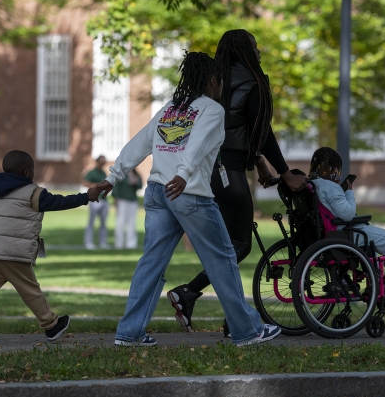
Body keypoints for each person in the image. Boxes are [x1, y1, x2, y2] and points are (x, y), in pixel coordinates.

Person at [92, 52, 282, 347]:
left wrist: (113, 176)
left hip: (157, 191)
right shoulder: (212, 110)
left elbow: (140, 142)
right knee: (222, 259)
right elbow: (196, 143)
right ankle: (248, 330)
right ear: (213, 80)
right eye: (221, 81)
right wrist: (183, 173)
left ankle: (129, 333)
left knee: (151, 263)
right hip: (187, 192)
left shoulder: (170, 108)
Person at [166, 29, 305, 332]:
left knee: (226, 245)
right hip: (227, 169)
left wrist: (257, 160)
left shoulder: (211, 80)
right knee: (239, 245)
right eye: (256, 47)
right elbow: (261, 130)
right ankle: (191, 294)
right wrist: (284, 171)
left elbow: (231, 127)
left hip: (200, 170)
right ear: (245, 50)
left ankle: (232, 319)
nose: (259, 53)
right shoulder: (253, 81)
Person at [0, 150, 99, 346]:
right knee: (30, 290)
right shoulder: (34, 193)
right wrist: (86, 196)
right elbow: (60, 202)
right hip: (14, 252)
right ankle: (51, 325)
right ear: (27, 173)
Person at [308, 146, 385, 303]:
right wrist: (348, 191)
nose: (338, 176)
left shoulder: (311, 185)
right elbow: (347, 214)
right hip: (344, 233)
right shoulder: (331, 187)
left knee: (372, 247)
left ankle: (374, 283)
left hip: (324, 234)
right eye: (338, 172)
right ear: (332, 170)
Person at [83, 155, 110, 249]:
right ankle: (88, 242)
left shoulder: (103, 173)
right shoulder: (92, 173)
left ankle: (103, 242)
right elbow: (85, 182)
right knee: (91, 222)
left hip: (104, 200)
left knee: (103, 223)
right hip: (94, 200)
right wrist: (95, 186)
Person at [113, 168, 143, 249]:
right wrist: (115, 197)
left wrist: (135, 182)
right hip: (122, 200)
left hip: (132, 201)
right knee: (120, 221)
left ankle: (131, 243)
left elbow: (140, 186)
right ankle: (118, 243)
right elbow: (116, 186)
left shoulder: (136, 174)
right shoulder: (122, 174)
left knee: (132, 222)